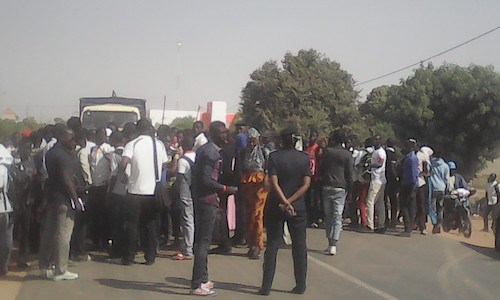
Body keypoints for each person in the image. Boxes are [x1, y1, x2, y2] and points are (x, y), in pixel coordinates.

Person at [258, 125, 311, 296]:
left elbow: (273, 182)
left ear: (281, 140)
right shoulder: (304, 158)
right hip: (298, 207)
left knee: (273, 244)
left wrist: (283, 201)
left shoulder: (274, 157)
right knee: (299, 245)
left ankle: (266, 286)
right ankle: (301, 284)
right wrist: (290, 202)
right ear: (296, 140)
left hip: (276, 205)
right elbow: (306, 184)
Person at [191, 121, 237, 296]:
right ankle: (197, 284)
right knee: (203, 243)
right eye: (222, 133)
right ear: (213, 134)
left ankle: (203, 278)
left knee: (204, 240)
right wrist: (225, 189)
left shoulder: (208, 150)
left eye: (226, 132)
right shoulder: (210, 152)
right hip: (207, 200)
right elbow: (205, 180)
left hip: (205, 198)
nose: (225, 135)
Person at [117, 119, 168, 266]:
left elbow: (123, 162)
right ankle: (150, 256)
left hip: (134, 191)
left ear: (137, 130)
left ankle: (128, 257)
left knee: (131, 225)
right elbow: (165, 164)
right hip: (153, 192)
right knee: (150, 225)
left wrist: (123, 176)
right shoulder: (158, 144)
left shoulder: (132, 144)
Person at [39, 124, 83, 280]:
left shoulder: (51, 153)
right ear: (62, 136)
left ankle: (44, 266)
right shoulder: (62, 155)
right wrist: (75, 199)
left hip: (52, 197)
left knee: (49, 233)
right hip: (63, 199)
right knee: (63, 234)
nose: (73, 140)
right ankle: (60, 270)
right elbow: (66, 178)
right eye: (70, 137)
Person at [319, 129, 354, 255]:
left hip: (327, 186)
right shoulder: (347, 155)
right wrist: (350, 191)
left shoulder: (327, 152)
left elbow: (321, 168)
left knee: (328, 216)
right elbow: (350, 174)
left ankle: (329, 242)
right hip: (341, 187)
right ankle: (334, 243)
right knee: (337, 217)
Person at [239, 128, 269, 259]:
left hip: (260, 186)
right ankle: (251, 243)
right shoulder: (243, 152)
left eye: (253, 141)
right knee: (249, 215)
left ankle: (257, 244)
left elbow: (269, 169)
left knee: (258, 214)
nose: (251, 144)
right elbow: (240, 167)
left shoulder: (264, 152)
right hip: (248, 185)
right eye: (249, 142)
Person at [88, 127, 113, 250]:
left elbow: (112, 167)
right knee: (94, 215)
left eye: (102, 135)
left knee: (104, 215)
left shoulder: (109, 149)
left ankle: (104, 240)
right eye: (98, 135)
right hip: (93, 186)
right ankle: (95, 240)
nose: (99, 137)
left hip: (104, 186)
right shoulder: (93, 149)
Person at [172, 135, 196, 260]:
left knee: (187, 221)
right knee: (192, 219)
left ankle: (188, 249)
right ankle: (191, 245)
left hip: (185, 192)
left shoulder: (183, 160)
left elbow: (179, 177)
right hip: (195, 192)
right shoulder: (197, 156)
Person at [364, 135, 387, 233]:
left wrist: (369, 165)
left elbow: (380, 163)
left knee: (369, 202)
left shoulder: (380, 152)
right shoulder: (376, 151)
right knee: (379, 203)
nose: (374, 141)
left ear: (380, 141)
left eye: (377, 140)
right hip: (380, 180)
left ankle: (370, 225)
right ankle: (381, 225)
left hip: (377, 180)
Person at [398, 139, 419, 237]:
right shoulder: (412, 157)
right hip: (411, 184)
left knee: (404, 206)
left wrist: (411, 188)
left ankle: (407, 229)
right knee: (410, 206)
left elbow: (412, 175)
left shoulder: (410, 159)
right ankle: (409, 228)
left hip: (408, 185)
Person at [428, 148, 450, 234]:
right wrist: (447, 189)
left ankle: (435, 224)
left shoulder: (431, 163)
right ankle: (438, 225)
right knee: (440, 208)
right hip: (442, 189)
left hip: (433, 188)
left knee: (432, 208)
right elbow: (446, 179)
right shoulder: (445, 166)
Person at [0, 143, 14, 276]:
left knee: (5, 238)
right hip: (7, 207)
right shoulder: (7, 168)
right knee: (5, 238)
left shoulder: (1, 170)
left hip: (3, 208)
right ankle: (3, 266)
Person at [305, 129, 321, 228]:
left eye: (314, 136)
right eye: (311, 136)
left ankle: (315, 219)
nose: (312, 138)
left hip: (315, 177)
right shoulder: (307, 148)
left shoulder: (317, 149)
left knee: (315, 199)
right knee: (307, 198)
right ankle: (309, 218)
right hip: (307, 177)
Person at [415, 146, 433, 235]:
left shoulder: (418, 156)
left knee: (421, 206)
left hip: (420, 183)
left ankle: (419, 224)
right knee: (422, 205)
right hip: (422, 184)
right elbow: (426, 172)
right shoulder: (423, 158)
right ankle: (420, 225)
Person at [384, 139, 399, 228]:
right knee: (393, 201)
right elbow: (393, 168)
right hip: (392, 180)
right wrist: (396, 177)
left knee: (384, 200)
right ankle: (393, 221)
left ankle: (386, 219)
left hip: (384, 178)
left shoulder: (384, 152)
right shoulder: (394, 155)